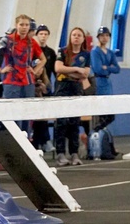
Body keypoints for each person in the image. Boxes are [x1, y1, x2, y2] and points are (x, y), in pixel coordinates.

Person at [0, 15, 44, 135]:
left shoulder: (32, 42)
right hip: (11, 81)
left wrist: (34, 70)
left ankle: (27, 139)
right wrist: (0, 70)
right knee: (11, 114)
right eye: (21, 24)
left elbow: (43, 59)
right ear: (16, 25)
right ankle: (12, 140)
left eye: (26, 25)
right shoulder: (7, 40)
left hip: (28, 82)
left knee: (27, 114)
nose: (24, 27)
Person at [53, 27, 91, 167]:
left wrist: (67, 71)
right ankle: (60, 153)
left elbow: (85, 74)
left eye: (79, 35)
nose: (76, 37)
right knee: (61, 122)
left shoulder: (86, 55)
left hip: (76, 88)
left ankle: (74, 153)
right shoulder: (62, 51)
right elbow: (58, 68)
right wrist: (76, 69)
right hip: (62, 88)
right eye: (74, 35)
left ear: (83, 38)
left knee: (74, 122)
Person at [90, 26, 120, 132]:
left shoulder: (110, 53)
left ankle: (99, 132)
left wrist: (106, 67)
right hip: (99, 82)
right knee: (101, 112)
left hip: (107, 83)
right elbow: (98, 69)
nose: (105, 38)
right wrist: (110, 68)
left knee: (109, 113)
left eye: (107, 35)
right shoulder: (95, 51)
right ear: (98, 37)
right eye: (102, 35)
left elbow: (117, 69)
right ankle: (95, 132)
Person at [31, 24, 56, 151]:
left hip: (46, 84)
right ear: (37, 35)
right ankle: (42, 140)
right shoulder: (32, 50)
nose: (43, 36)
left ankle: (44, 140)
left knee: (44, 115)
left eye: (45, 34)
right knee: (36, 117)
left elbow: (55, 71)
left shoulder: (51, 52)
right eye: (41, 34)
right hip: (33, 84)